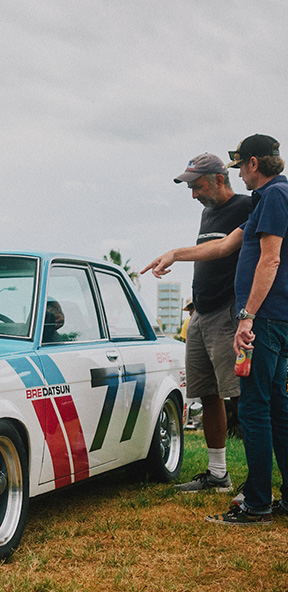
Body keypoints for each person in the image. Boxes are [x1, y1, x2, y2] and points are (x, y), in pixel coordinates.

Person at [143, 134, 288, 525]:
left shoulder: (273, 196)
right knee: (275, 407)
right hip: (270, 318)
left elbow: (270, 260)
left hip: (265, 319)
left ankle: (256, 503)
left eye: (241, 166)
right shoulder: (267, 198)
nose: (239, 173)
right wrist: (175, 253)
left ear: (253, 163)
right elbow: (224, 247)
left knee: (254, 409)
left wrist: (247, 316)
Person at [142, 153, 253, 493]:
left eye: (198, 187)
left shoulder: (247, 206)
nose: (194, 195)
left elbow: (225, 249)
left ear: (220, 179)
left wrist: (175, 253)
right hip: (200, 315)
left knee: (243, 397)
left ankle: (257, 480)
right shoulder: (208, 213)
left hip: (228, 314)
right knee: (208, 394)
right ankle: (218, 475)